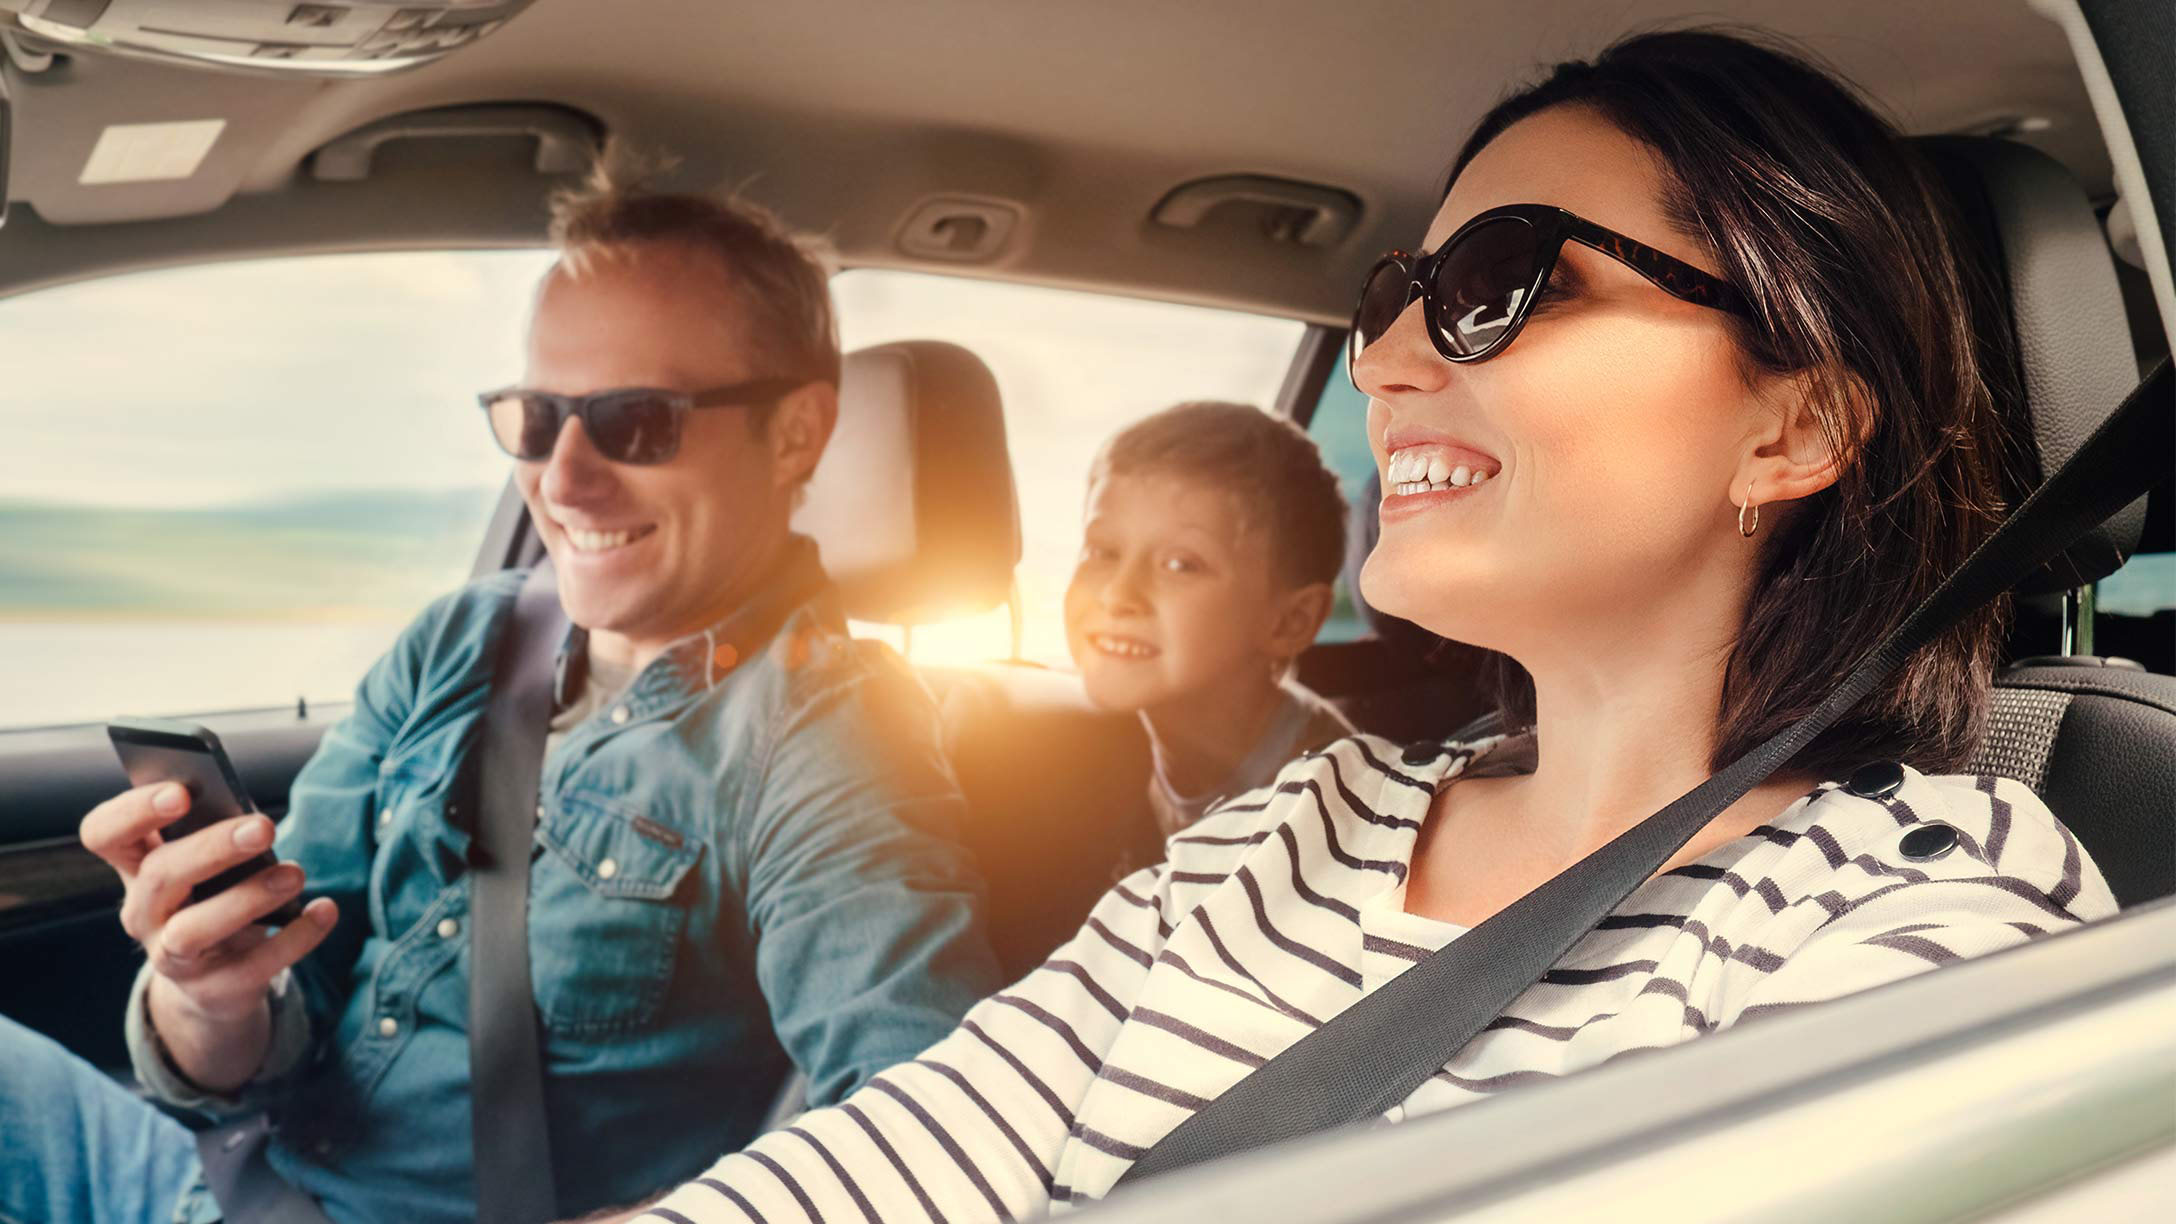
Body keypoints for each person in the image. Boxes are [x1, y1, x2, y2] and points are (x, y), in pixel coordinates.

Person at [616, 30, 2115, 1223]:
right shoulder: (1282, 835)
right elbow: (856, 1180)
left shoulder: (1913, 906)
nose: (1386, 359)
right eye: (1398, 292)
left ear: (1794, 426)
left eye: (1500, 286)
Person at [0, 167, 1005, 1224]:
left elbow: (920, 1135)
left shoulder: (826, 732)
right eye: (538, 417)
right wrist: (204, 995)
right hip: (233, 1183)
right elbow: (296, 993)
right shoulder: (461, 638)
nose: (564, 481)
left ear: (797, 433)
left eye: (636, 421)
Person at [1064, 402, 1354, 838]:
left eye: (1180, 564)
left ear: (1290, 622)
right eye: (1102, 553)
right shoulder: (1108, 752)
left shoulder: (1326, 805)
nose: (1117, 595)